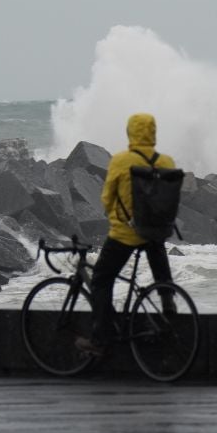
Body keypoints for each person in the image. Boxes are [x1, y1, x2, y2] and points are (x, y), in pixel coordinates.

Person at [81, 113, 177, 353]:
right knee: (158, 259)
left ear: (130, 132)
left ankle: (101, 338)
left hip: (125, 234)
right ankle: (167, 298)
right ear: (153, 132)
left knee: (101, 280)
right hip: (156, 232)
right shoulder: (166, 162)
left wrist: (114, 216)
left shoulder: (121, 160)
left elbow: (106, 197)